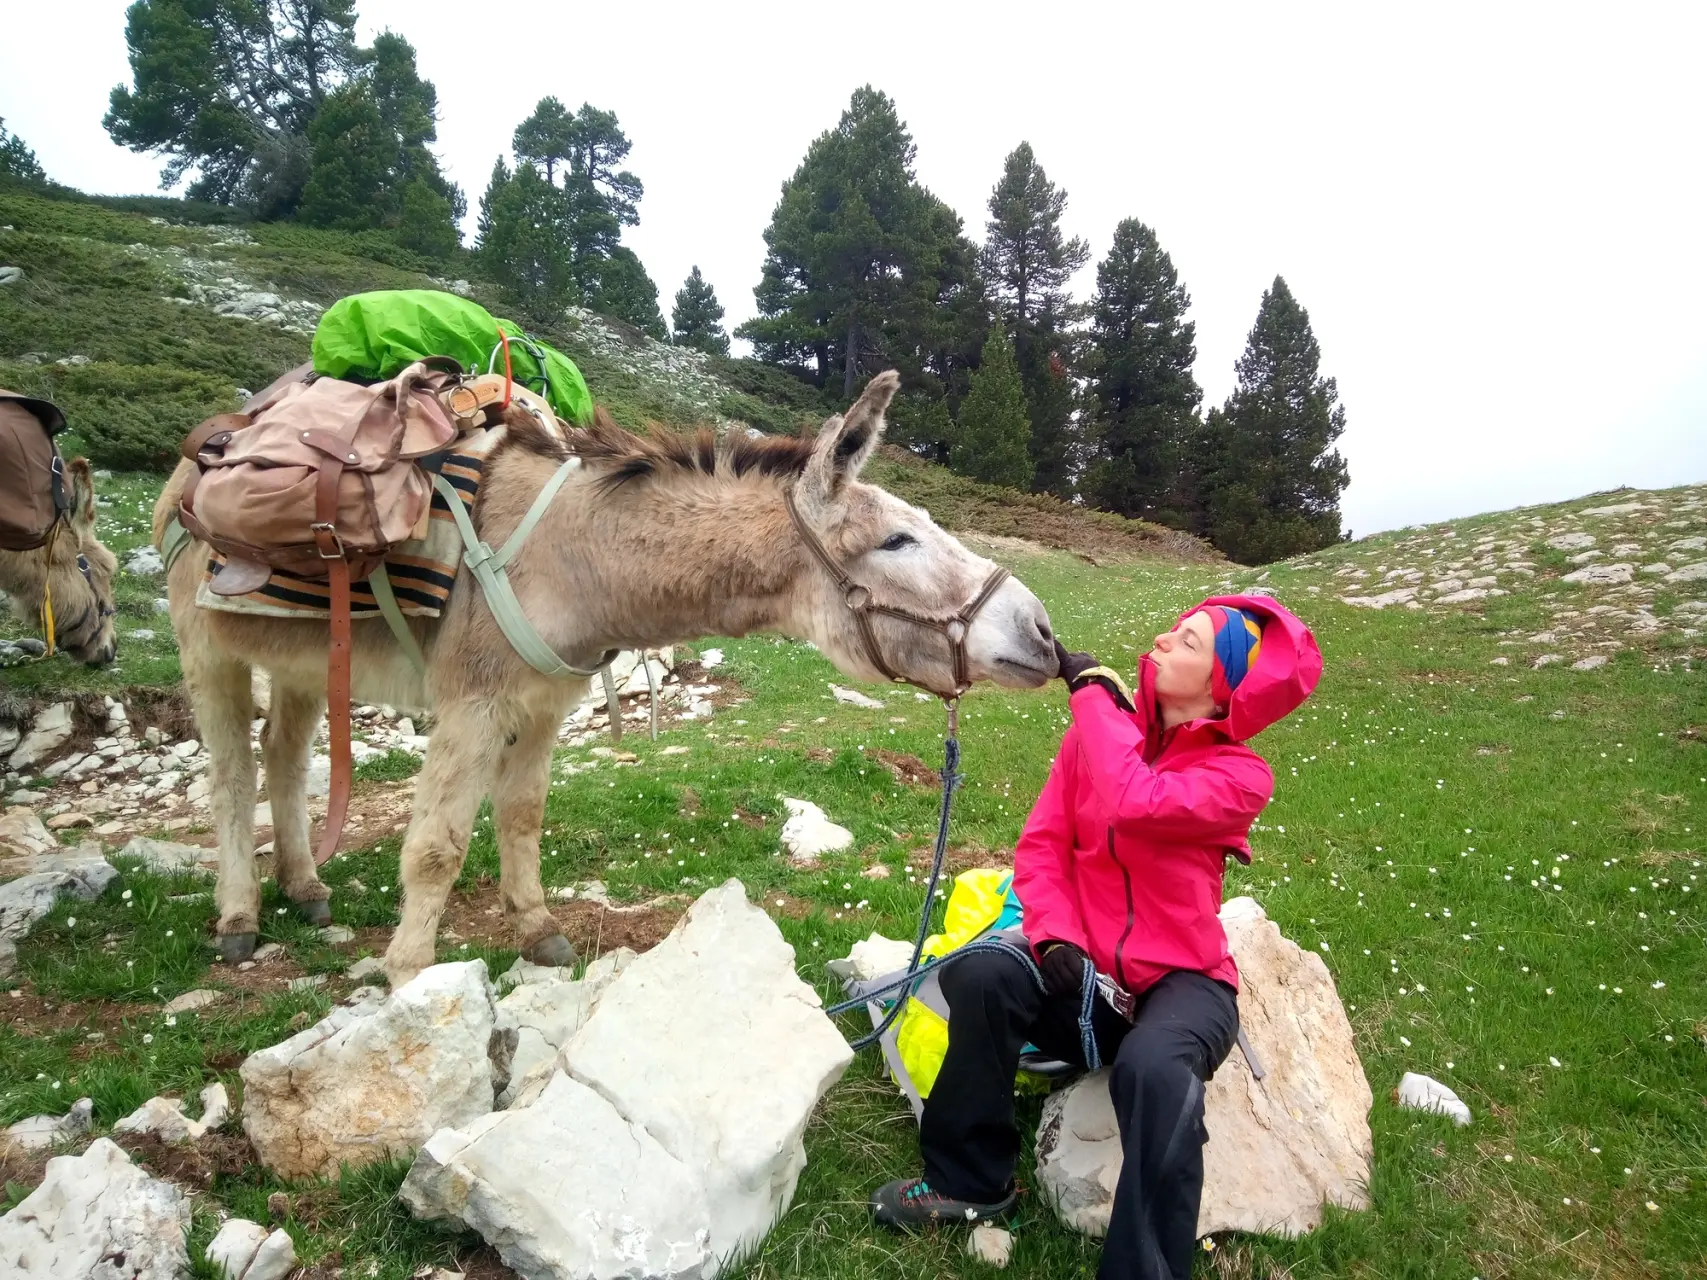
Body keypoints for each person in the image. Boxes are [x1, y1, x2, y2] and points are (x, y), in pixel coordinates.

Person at [869, 595, 1323, 1280]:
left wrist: (1095, 705)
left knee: (1155, 1068)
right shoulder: (1095, 738)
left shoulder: (1239, 776)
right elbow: (1042, 848)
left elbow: (1134, 800)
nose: (1162, 640)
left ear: (1221, 686)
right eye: (1172, 627)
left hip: (1183, 983)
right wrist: (1053, 940)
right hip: (1080, 975)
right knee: (980, 974)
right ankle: (970, 1182)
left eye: (1189, 641)